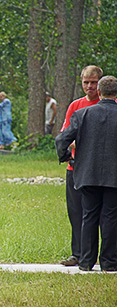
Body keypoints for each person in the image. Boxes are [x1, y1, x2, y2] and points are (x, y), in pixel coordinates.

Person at [55, 75, 117, 272]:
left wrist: (67, 158)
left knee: (88, 216)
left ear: (99, 92)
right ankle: (109, 261)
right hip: (114, 175)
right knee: (110, 217)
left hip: (87, 173)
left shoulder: (82, 114)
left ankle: (86, 261)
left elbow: (61, 140)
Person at [59, 65, 103, 267]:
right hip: (76, 167)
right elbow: (66, 136)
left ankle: (106, 254)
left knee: (105, 214)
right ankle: (77, 253)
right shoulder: (75, 106)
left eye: (93, 82)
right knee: (76, 213)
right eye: (86, 82)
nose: (89, 86)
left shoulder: (110, 104)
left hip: (103, 169)